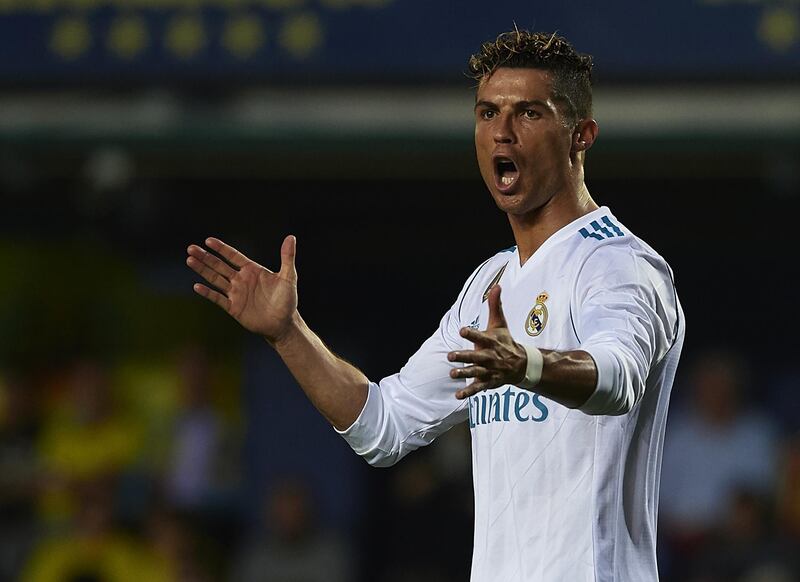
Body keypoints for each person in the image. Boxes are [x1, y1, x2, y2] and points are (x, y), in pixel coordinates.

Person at [186, 29, 685, 582]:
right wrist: (288, 335)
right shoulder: (489, 283)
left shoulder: (617, 263)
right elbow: (384, 426)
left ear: (581, 136)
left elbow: (620, 380)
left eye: (529, 114)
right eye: (488, 112)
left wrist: (529, 365)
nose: (502, 132)